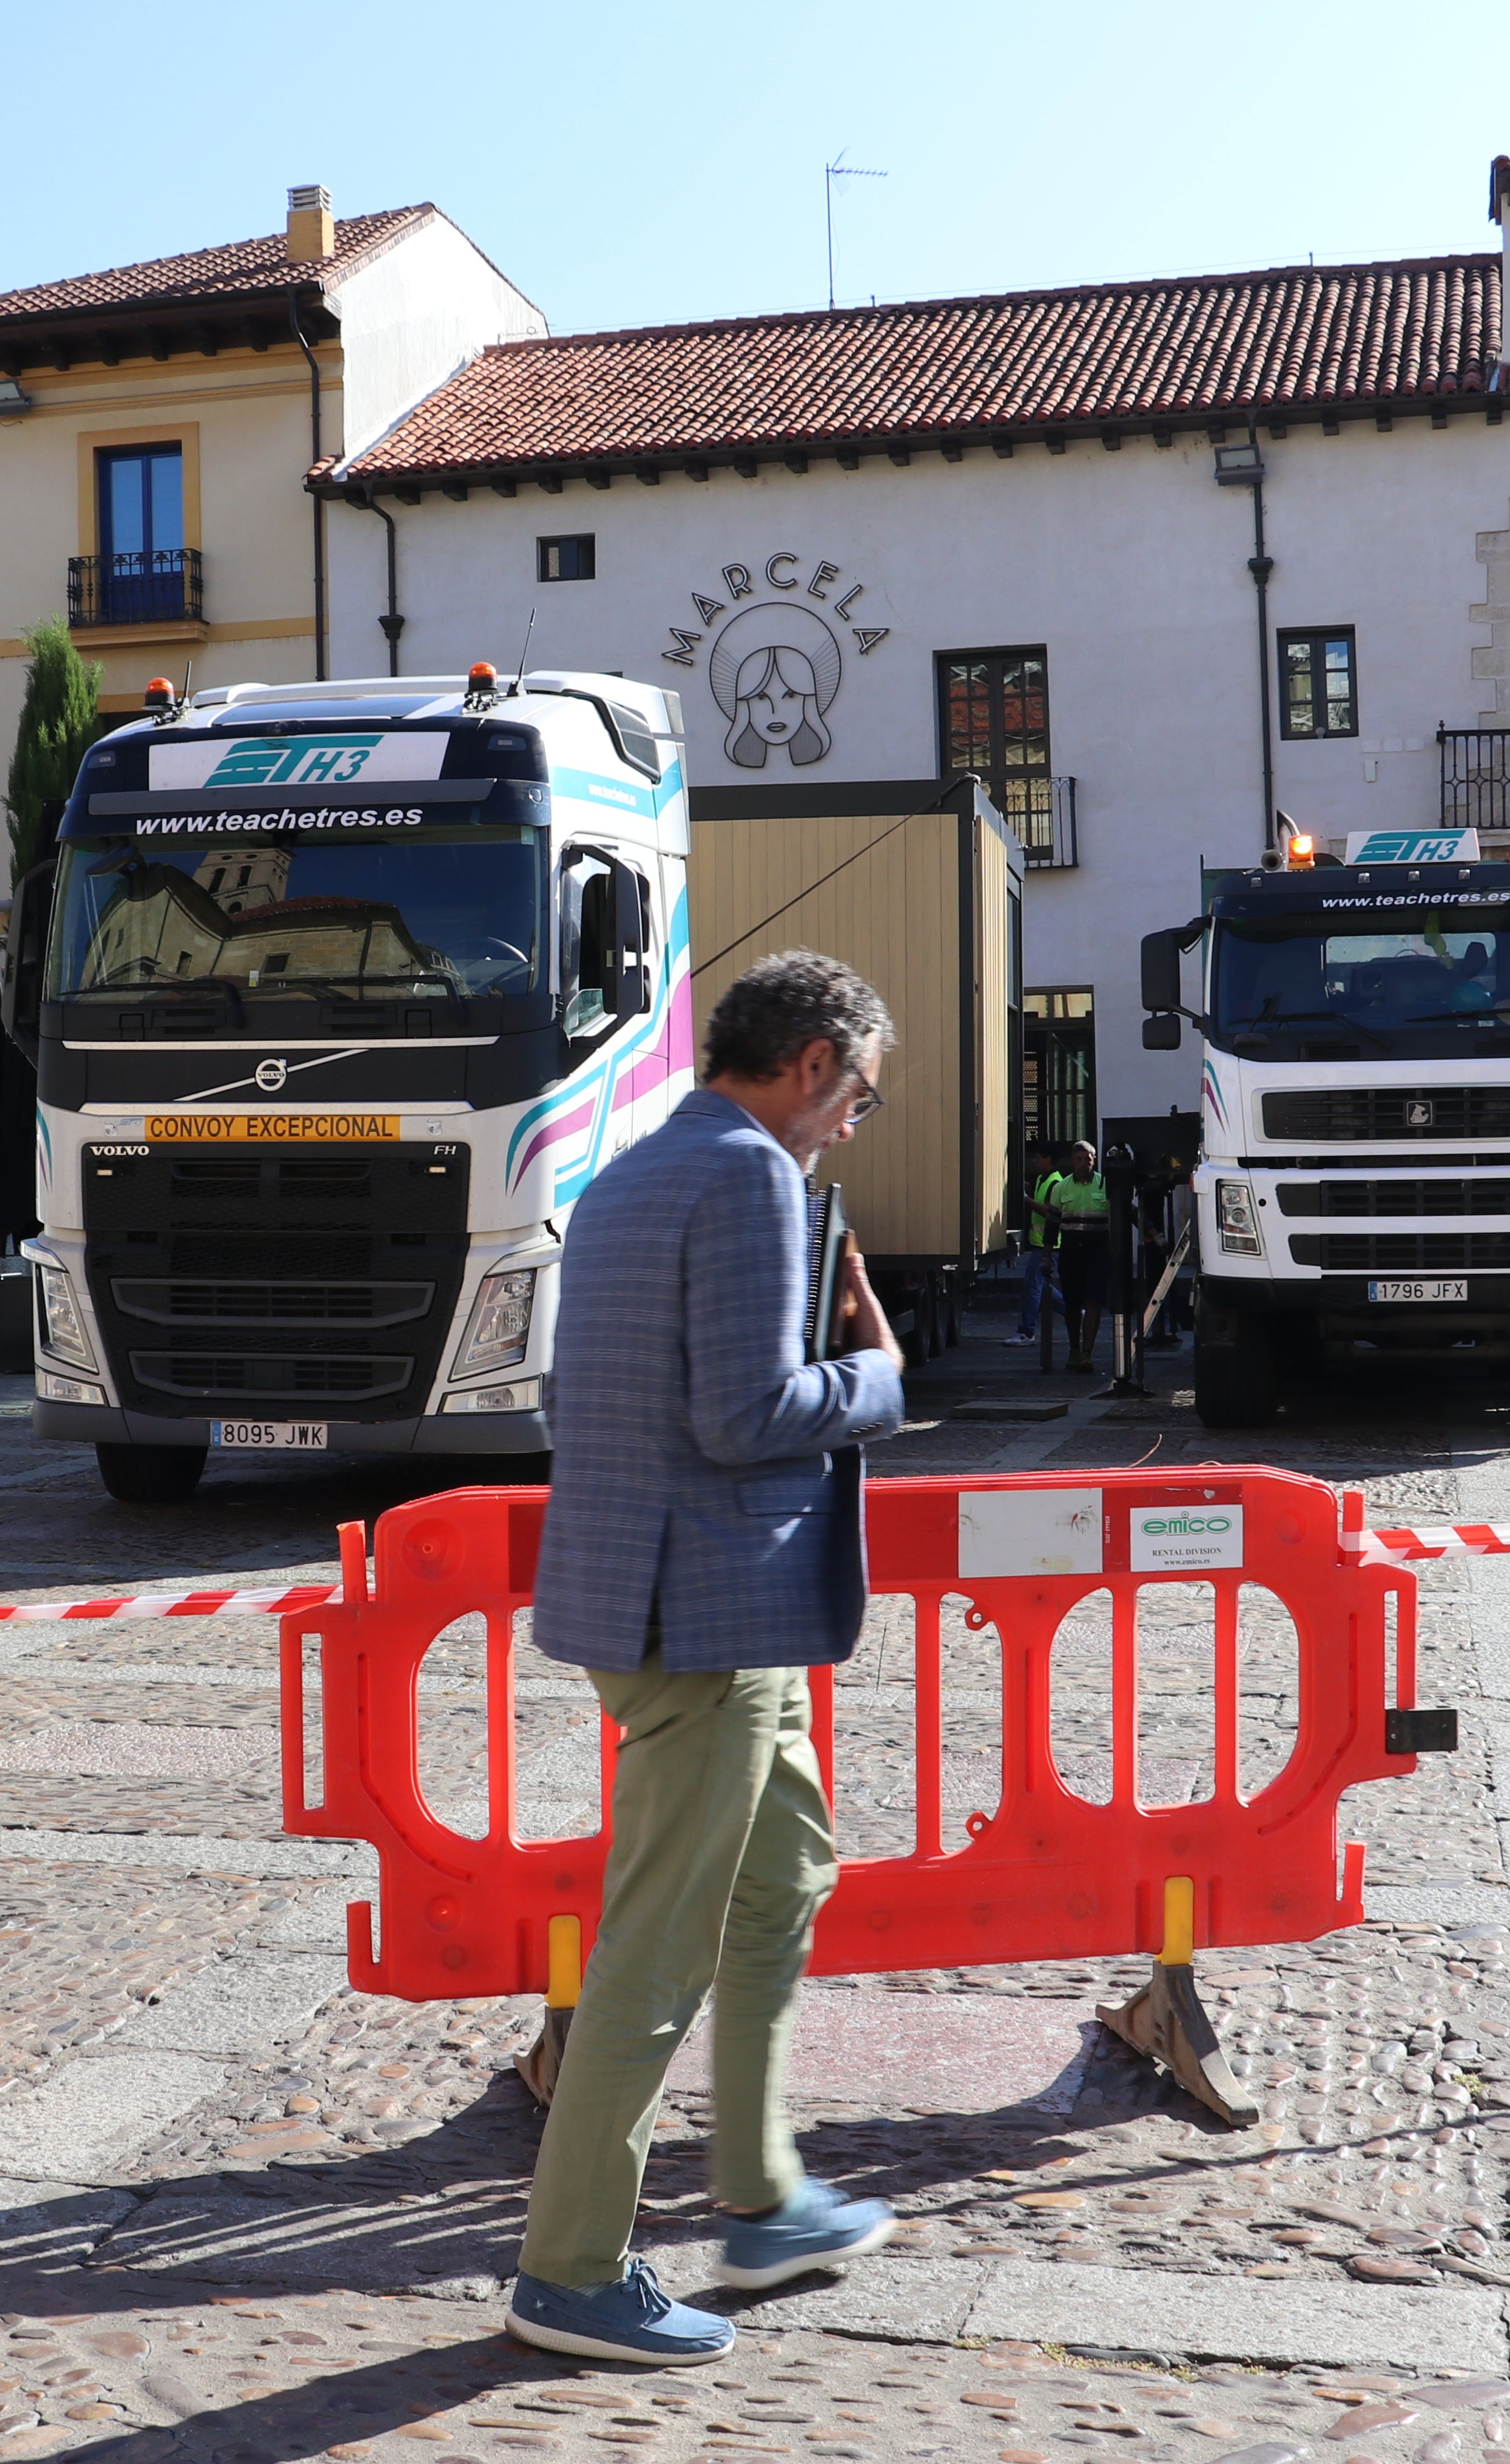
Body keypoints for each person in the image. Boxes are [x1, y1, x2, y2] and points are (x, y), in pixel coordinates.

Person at [503, 950, 905, 2369]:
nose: (853, 1123)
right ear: (810, 1061)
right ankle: (570, 2270)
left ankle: (762, 2189)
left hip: (678, 1595)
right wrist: (882, 1375)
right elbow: (749, 1412)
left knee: (785, 1871)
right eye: (856, 1094)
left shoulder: (635, 1165)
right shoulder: (749, 1174)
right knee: (658, 1944)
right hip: (708, 1613)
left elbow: (596, 1390)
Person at [1044, 1142, 1113, 1361]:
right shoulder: (1061, 1188)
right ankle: (1074, 1348)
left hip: (1098, 1254)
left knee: (1093, 1302)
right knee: (1072, 1304)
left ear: (1095, 1160)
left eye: (1088, 1159)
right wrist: (1046, 1256)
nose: (1084, 1164)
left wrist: (1152, 1232)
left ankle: (1087, 1354)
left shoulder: (1106, 1185)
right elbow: (1052, 1224)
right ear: (1073, 1161)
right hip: (1071, 1254)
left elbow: (1123, 1215)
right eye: (1079, 1159)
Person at [1002, 1138, 1059, 1345]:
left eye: (1038, 1158)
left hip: (1049, 1246)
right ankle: (1075, 1312)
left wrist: (1026, 1200)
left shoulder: (1055, 1183)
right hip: (1041, 1244)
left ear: (1048, 1159)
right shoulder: (1044, 1179)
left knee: (1032, 1288)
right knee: (1043, 1288)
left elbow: (1049, 1211)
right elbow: (1031, 1187)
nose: (1035, 1162)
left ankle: (1027, 1331)